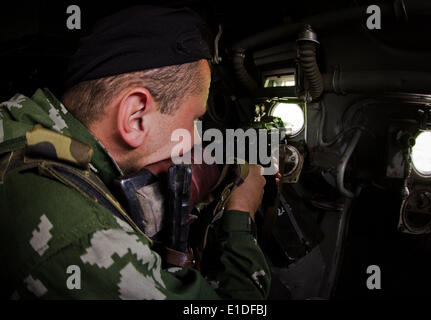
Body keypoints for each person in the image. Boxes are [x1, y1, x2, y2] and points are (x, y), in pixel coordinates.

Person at [0, 6, 271, 299]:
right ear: (135, 115)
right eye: (194, 120)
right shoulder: (79, 238)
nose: (195, 138)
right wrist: (241, 216)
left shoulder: (22, 126)